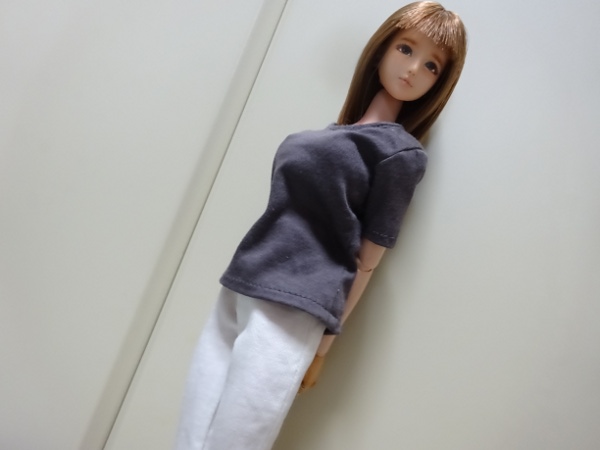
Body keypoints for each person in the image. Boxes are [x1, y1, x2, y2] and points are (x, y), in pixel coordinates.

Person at [175, 2, 467, 449]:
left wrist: (324, 347)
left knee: (235, 440)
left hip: (297, 304)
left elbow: (367, 261)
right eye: (406, 48)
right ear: (381, 49)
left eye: (431, 65)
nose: (413, 69)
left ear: (438, 83)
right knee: (190, 435)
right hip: (241, 284)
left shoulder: (400, 154)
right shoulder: (332, 135)